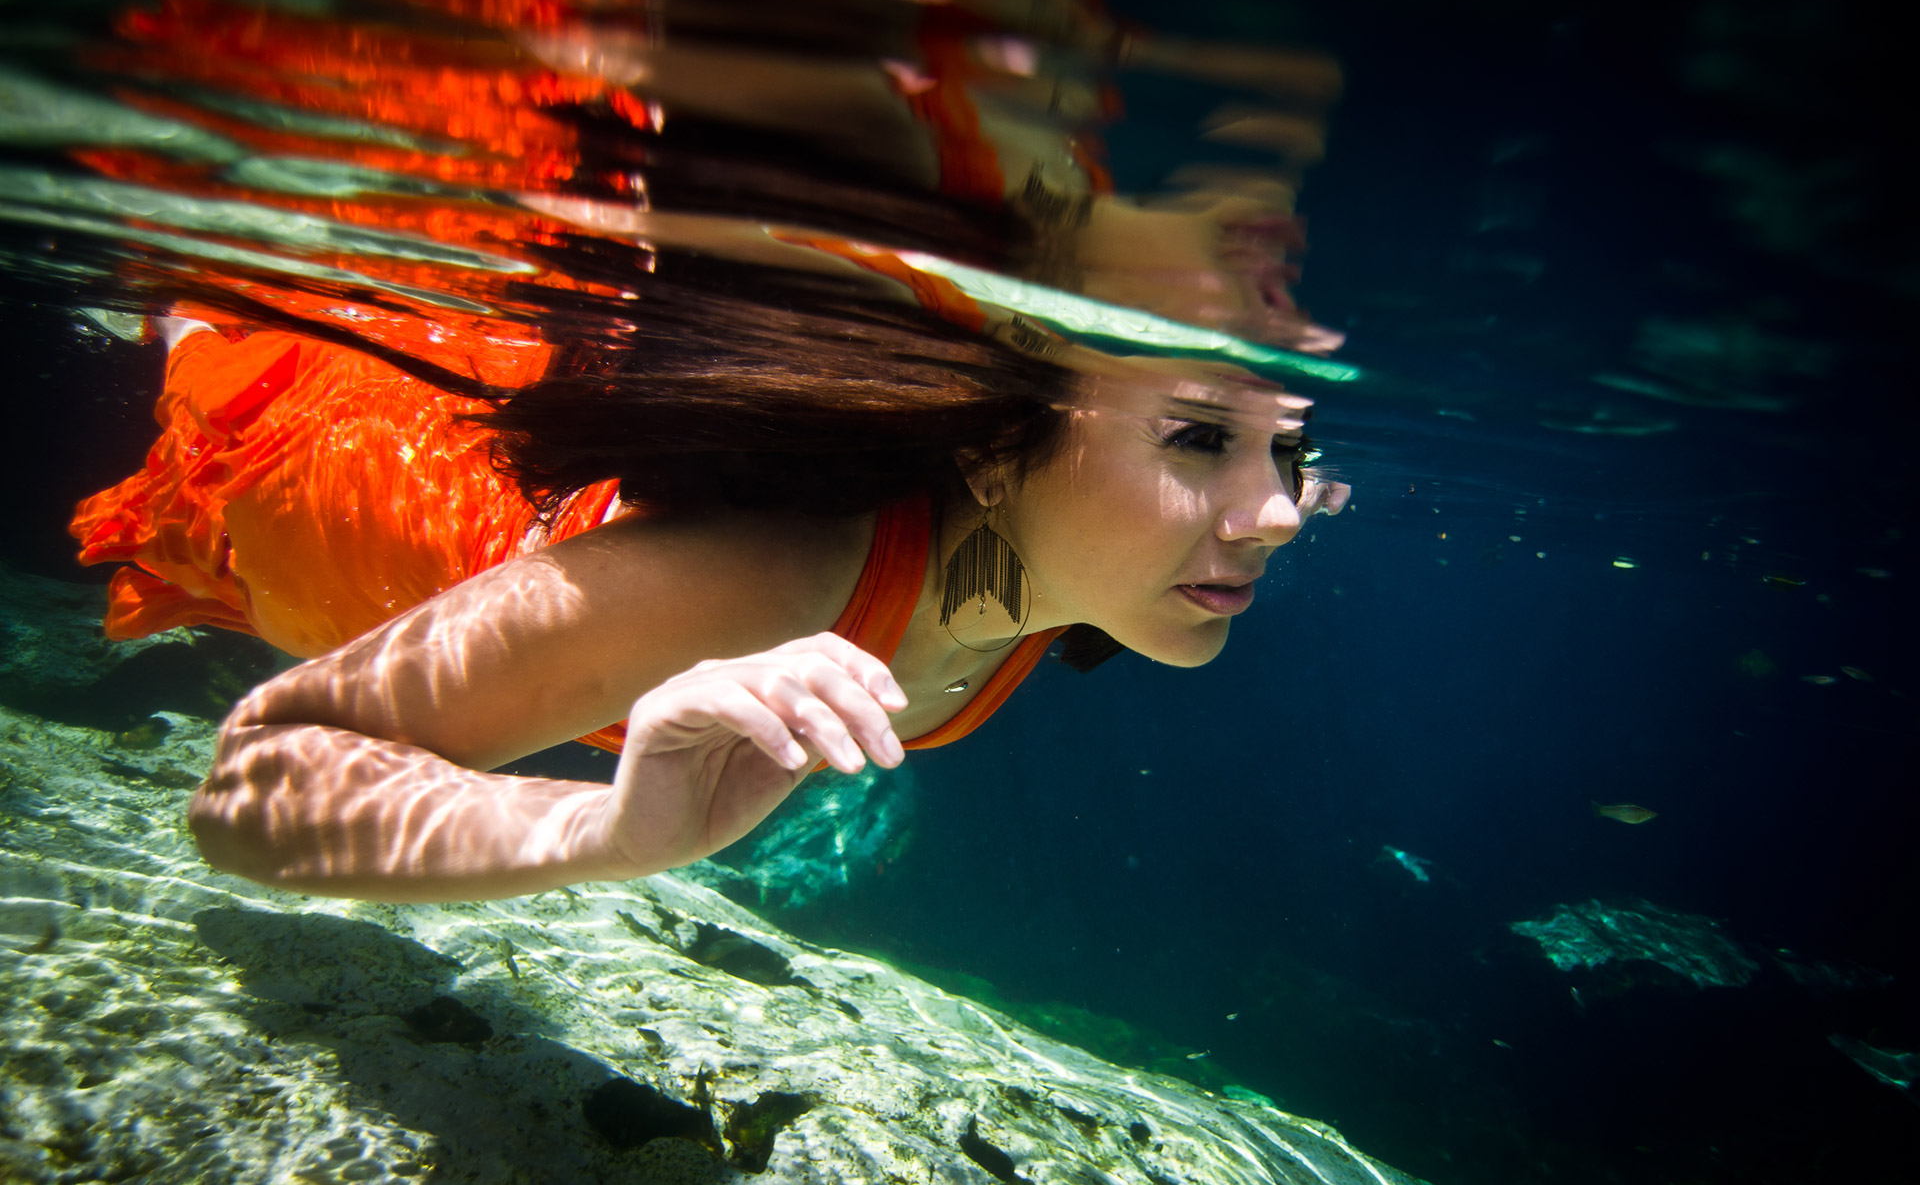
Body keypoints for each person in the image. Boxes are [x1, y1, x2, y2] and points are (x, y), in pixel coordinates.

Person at [71, 241, 1347, 904]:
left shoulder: (1071, 582)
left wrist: (1220, 479)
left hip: (406, 546)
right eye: (1198, 438)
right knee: (208, 372)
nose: (1282, 514)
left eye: (1291, 455)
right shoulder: (767, 578)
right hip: (336, 492)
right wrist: (602, 834)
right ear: (993, 457)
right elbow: (254, 781)